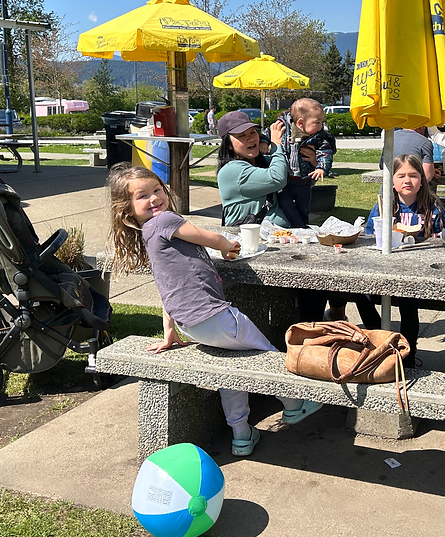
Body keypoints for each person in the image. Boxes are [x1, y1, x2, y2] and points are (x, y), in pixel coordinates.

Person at [106, 164, 322, 456]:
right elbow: (207, 236)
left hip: (190, 324)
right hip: (215, 315)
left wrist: (169, 332)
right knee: (269, 355)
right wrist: (225, 245)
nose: (154, 198)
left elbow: (167, 287)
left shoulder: (148, 233)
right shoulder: (166, 220)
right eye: (143, 196)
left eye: (157, 189)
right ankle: (294, 406)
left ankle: (242, 435)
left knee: (231, 369)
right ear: (127, 208)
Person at [327, 154, 445, 367]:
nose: (407, 180)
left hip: (416, 272)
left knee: (407, 300)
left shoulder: (433, 208)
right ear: (391, 181)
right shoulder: (384, 207)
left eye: (413, 175)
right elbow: (369, 237)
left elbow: (443, 242)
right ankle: (380, 339)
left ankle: (408, 352)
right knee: (358, 291)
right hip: (383, 268)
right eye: (401, 175)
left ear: (423, 179)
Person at [216, 110, 291, 227]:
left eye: (253, 132)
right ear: (229, 145)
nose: (250, 138)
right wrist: (276, 145)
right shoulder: (231, 171)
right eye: (241, 135)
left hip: (279, 237)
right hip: (249, 241)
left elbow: (295, 180)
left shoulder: (264, 162)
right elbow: (277, 178)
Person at [273, 98, 336, 228]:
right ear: (301, 123)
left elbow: (326, 152)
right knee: (285, 203)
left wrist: (321, 168)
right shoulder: (283, 128)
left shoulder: (318, 138)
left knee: (304, 206)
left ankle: (303, 226)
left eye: (321, 122)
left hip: (304, 180)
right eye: (317, 122)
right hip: (285, 181)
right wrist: (263, 142)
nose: (321, 126)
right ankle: (297, 226)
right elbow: (268, 134)